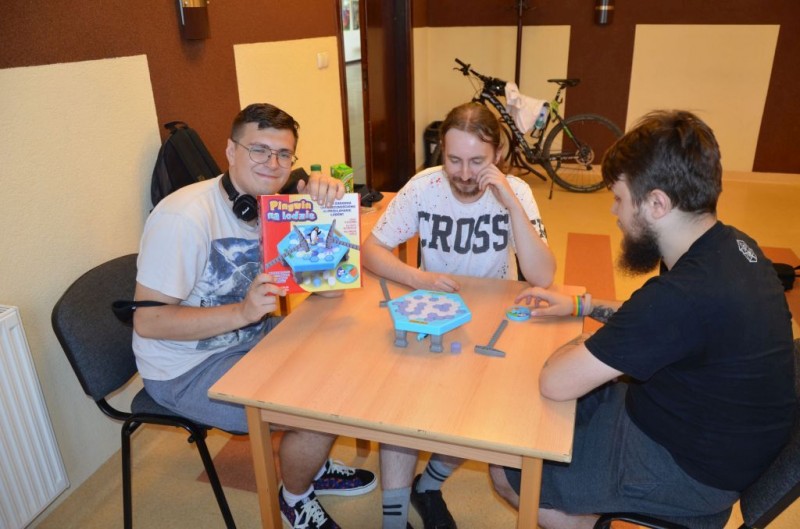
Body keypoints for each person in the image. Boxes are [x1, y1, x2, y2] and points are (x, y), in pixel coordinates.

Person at [489, 110, 796, 528]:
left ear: (657, 203)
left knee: (509, 469)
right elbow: (658, 324)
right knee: (558, 414)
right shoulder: (731, 246)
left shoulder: (683, 295)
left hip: (688, 471)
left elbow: (556, 381)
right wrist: (581, 306)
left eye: (619, 198)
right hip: (711, 435)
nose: (614, 211)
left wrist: (574, 342)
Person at [132, 103, 376, 529]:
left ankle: (309, 464)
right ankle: (294, 498)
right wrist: (243, 312)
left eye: (283, 154)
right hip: (185, 368)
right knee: (321, 406)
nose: (273, 164)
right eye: (259, 150)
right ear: (230, 151)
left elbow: (330, 287)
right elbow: (148, 323)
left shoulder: (275, 206)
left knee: (343, 357)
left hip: (247, 339)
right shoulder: (183, 218)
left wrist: (322, 213)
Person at [362, 102, 556, 529]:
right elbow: (371, 250)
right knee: (399, 411)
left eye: (477, 161)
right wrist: (418, 277)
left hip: (492, 319)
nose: (465, 174)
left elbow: (543, 276)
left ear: (498, 154)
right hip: (435, 312)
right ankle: (393, 520)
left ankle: (428, 485)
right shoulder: (424, 186)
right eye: (454, 160)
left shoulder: (516, 192)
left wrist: (510, 202)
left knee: (475, 413)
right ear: (441, 152)